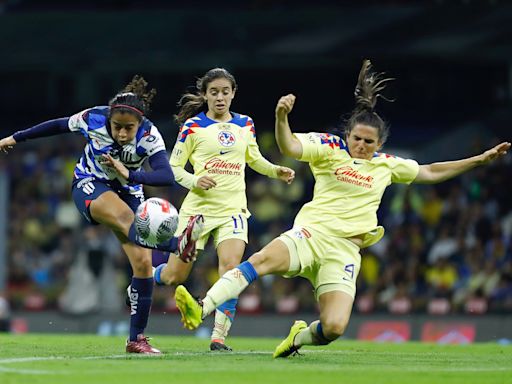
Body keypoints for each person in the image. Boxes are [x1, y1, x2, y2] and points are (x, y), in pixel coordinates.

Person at [173, 60, 511, 357]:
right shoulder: (329, 147)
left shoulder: (387, 165)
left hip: (345, 250)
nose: (361, 146)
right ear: (348, 135)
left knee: (333, 327)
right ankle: (200, 308)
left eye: (369, 142)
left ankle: (297, 338)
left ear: (380, 144)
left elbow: (431, 171)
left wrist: (479, 160)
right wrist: (281, 117)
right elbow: (289, 145)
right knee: (258, 261)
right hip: (311, 235)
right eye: (357, 139)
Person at [0, 75, 204, 354]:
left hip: (129, 189)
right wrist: (14, 138)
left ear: (139, 124)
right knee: (125, 218)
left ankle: (136, 340)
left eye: (127, 129)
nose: (121, 133)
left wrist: (129, 173)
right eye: (116, 127)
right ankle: (176, 244)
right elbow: (58, 125)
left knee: (143, 265)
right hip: (90, 184)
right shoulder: (93, 118)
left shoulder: (149, 135)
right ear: (108, 119)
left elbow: (166, 176)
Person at [152, 68, 295, 351]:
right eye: (214, 92)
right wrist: (195, 180)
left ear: (233, 94)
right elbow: (174, 168)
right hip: (197, 211)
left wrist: (275, 171)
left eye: (225, 92)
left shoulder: (246, 124)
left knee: (231, 271)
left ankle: (218, 338)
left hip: (233, 210)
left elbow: (254, 159)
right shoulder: (193, 126)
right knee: (174, 276)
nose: (220, 97)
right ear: (205, 95)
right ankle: (145, 276)